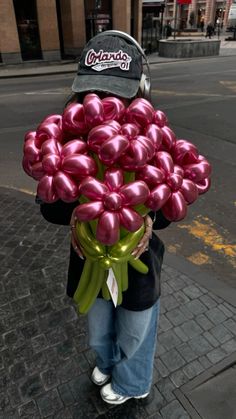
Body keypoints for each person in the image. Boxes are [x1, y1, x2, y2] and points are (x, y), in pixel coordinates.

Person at [39, 31, 171, 405]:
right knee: (98, 329)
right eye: (93, 93)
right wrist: (71, 200)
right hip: (88, 258)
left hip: (138, 260)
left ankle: (133, 381)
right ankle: (107, 359)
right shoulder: (68, 139)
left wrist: (146, 219)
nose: (104, 105)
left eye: (117, 93)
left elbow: (165, 212)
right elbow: (50, 208)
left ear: (141, 90)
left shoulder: (152, 138)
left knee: (135, 329)